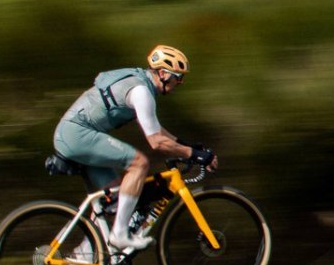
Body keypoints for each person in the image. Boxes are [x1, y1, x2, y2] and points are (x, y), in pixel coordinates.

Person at [52, 45, 217, 253]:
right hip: (76, 134)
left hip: (72, 134)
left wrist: (188, 146)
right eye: (178, 77)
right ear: (164, 74)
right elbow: (156, 142)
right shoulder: (141, 92)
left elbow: (155, 129)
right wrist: (193, 155)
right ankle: (119, 235)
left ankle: (86, 255)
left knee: (116, 200)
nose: (180, 83)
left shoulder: (141, 84)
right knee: (139, 163)